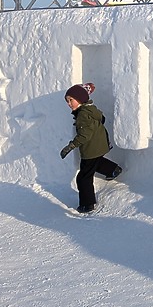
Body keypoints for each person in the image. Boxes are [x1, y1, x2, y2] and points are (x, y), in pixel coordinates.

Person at [59, 84, 122, 213]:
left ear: (80, 99)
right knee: (96, 163)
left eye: (71, 100)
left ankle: (87, 204)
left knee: (83, 178)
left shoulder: (82, 115)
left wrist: (70, 146)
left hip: (91, 149)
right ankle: (113, 170)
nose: (68, 104)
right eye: (67, 101)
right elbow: (102, 119)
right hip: (100, 145)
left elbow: (83, 136)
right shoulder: (91, 109)